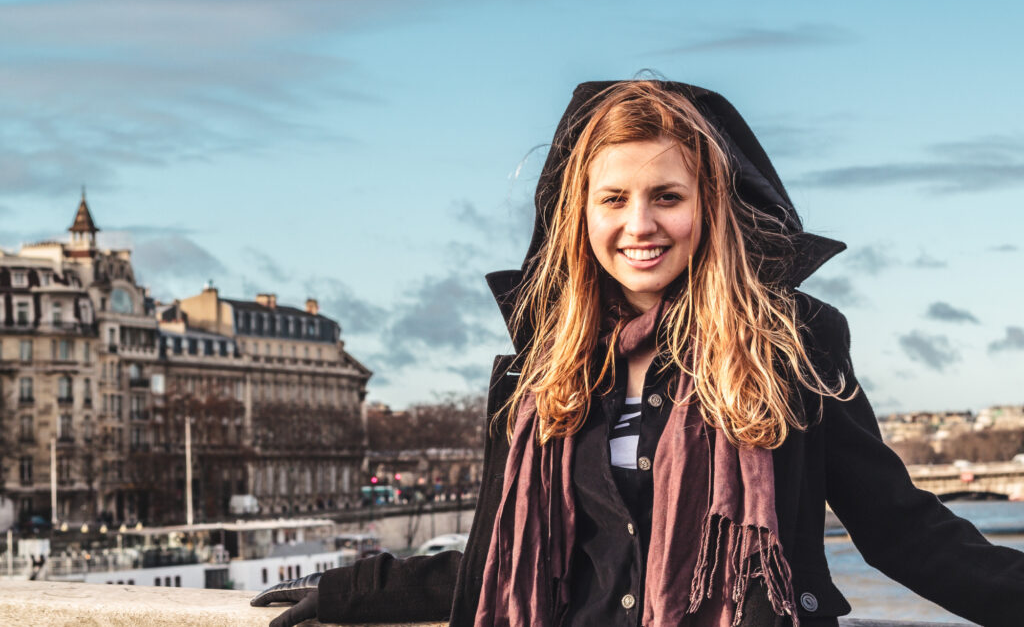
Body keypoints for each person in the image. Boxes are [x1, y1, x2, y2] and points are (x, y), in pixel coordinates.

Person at [253, 80, 1024, 627]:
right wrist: (357, 592)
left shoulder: (790, 342)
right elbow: (514, 554)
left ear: (709, 206)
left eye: (667, 196)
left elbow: (897, 528)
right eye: (613, 199)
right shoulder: (541, 368)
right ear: (578, 215)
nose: (640, 224)